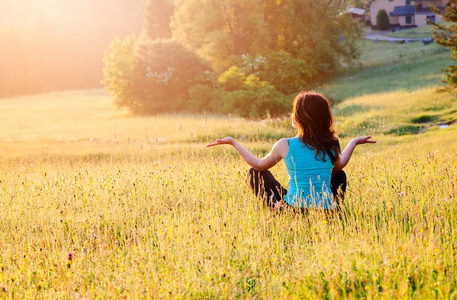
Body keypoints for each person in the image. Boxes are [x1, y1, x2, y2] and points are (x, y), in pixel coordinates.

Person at [206, 91, 375, 212]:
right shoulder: (331, 143)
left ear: (297, 118)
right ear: (325, 118)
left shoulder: (285, 144)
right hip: (326, 211)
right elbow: (338, 167)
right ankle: (333, 209)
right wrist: (353, 142)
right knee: (339, 175)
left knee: (255, 173)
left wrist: (234, 143)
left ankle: (276, 209)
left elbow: (258, 165)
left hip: (295, 209)